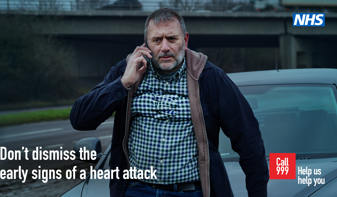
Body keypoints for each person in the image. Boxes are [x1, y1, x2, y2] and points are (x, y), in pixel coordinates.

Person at [70, 8, 269, 197]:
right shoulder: (125, 71)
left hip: (191, 191)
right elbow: (80, 119)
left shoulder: (210, 78)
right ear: (146, 44)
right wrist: (122, 84)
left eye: (172, 39)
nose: (165, 47)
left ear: (185, 39)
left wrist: (257, 193)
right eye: (157, 40)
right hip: (136, 190)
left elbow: (249, 139)